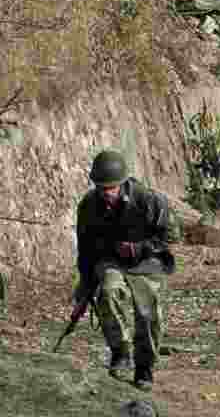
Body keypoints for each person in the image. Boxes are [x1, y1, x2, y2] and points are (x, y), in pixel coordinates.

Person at [73, 149, 175, 391]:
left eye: (111, 188)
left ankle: (145, 367)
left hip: (147, 262)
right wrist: (84, 289)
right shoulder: (88, 206)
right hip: (112, 261)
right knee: (107, 293)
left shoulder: (149, 200)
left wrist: (139, 248)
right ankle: (121, 352)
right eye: (101, 188)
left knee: (148, 311)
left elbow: (168, 237)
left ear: (122, 183)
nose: (107, 194)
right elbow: (86, 251)